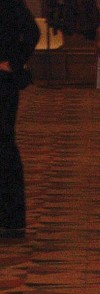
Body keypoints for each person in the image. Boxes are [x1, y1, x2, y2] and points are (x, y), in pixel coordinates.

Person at [0, 0, 39, 241]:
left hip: (2, 82)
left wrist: (12, 63)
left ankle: (12, 219)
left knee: (4, 147)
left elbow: (31, 31)